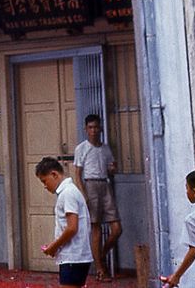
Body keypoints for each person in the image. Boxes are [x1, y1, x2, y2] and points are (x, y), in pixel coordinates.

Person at [73, 113, 122, 280]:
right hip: (90, 185)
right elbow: (77, 174)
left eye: (96, 127)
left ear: (100, 128)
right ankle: (101, 269)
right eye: (90, 128)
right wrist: (83, 194)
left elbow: (111, 167)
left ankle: (99, 256)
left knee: (116, 228)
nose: (93, 131)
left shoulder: (105, 148)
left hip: (105, 185)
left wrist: (112, 168)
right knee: (96, 228)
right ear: (86, 129)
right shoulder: (82, 148)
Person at [36, 156, 93, 288]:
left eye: (45, 181)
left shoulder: (68, 193)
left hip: (73, 256)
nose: (45, 186)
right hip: (74, 255)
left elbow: (72, 228)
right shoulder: (68, 192)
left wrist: (54, 246)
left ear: (54, 174)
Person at [161, 169, 195, 288]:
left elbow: (193, 251)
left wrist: (176, 276)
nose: (186, 192)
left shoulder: (193, 219)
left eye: (187, 188)